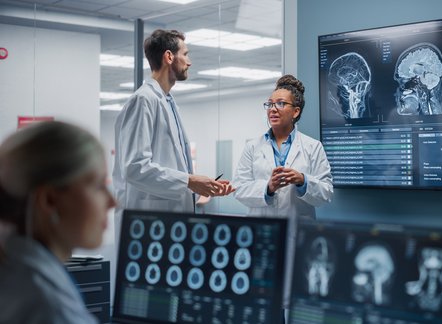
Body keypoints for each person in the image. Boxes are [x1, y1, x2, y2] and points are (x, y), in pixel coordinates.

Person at [0, 121, 116, 323]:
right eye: (98, 185)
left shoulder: (12, 263)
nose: (114, 201)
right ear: (49, 200)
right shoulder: (49, 307)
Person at [113, 29, 234, 219]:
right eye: (185, 54)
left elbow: (171, 167)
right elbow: (134, 167)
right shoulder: (144, 100)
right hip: (149, 218)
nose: (189, 62)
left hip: (169, 217)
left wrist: (200, 185)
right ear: (169, 57)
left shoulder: (168, 102)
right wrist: (189, 181)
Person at [233, 74, 333, 218]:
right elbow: (239, 189)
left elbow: (326, 193)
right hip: (262, 228)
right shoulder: (252, 147)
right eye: (270, 104)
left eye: (280, 103)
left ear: (296, 111)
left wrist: (303, 181)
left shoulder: (313, 146)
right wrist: (268, 187)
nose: (272, 109)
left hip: (297, 229)